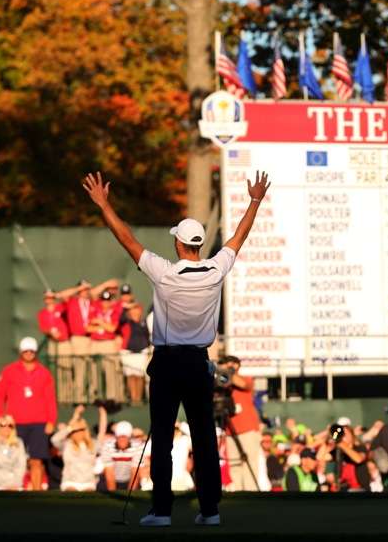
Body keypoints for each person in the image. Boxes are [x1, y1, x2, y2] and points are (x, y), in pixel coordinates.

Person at [82, 169, 269, 527]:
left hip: (167, 364)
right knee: (203, 438)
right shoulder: (215, 270)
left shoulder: (165, 273)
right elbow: (238, 237)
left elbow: (126, 238)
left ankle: (162, 512)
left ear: (180, 244)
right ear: (198, 244)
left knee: (164, 438)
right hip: (199, 364)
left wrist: (104, 204)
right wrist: (255, 200)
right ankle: (210, 511)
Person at [0, 337, 57, 491]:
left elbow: (50, 398)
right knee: (15, 458)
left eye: (31, 351)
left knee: (36, 460)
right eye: (26, 351)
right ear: (21, 352)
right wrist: (1, 417)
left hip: (38, 423)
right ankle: (15, 489)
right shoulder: (9, 371)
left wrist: (51, 421)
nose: (29, 354)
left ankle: (36, 492)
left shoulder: (44, 373)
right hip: (15, 423)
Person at [220, 356, 268, 492]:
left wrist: (227, 372)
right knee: (234, 465)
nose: (228, 367)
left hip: (248, 429)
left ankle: (250, 494)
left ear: (237, 366)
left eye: (231, 364)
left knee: (249, 465)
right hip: (230, 430)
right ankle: (238, 494)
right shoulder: (223, 383)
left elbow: (241, 384)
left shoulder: (245, 379)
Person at [51, 404, 107, 491]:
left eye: (81, 430)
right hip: (70, 482)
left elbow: (102, 433)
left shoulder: (92, 444)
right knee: (71, 493)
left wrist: (103, 414)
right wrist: (70, 426)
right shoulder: (67, 445)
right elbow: (54, 440)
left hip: (88, 483)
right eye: (75, 431)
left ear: (85, 431)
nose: (78, 433)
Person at [36, 290, 72, 402]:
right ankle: (60, 396)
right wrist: (50, 332)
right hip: (53, 343)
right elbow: (43, 328)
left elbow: (68, 298)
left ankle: (68, 395)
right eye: (47, 298)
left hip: (64, 343)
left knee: (67, 369)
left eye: (51, 297)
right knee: (55, 371)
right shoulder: (42, 313)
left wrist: (58, 295)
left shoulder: (61, 308)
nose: (49, 300)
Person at [0, 415, 28, 491]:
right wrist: (6, 484)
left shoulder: (19, 443)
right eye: (2, 425)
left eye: (10, 425)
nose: (6, 428)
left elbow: (21, 465)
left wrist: (14, 483)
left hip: (15, 485)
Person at [119, 300, 150, 405]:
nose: (135, 312)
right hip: (128, 352)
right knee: (131, 376)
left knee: (140, 376)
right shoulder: (125, 322)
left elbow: (147, 336)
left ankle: (138, 399)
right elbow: (121, 317)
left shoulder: (143, 322)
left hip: (141, 352)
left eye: (137, 309)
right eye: (133, 310)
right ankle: (133, 399)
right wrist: (128, 306)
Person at [102, 421, 147, 491]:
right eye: (120, 437)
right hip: (113, 479)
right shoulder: (107, 446)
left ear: (129, 438)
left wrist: (129, 495)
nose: (122, 440)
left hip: (129, 480)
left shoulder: (138, 447)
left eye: (125, 437)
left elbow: (135, 472)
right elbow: (109, 473)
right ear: (116, 437)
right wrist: (114, 495)